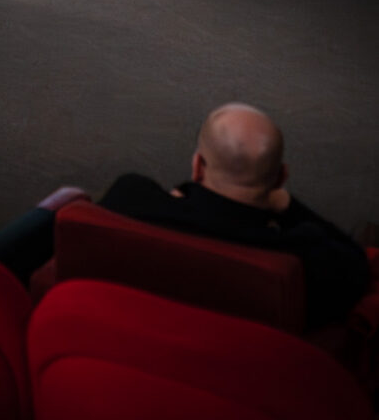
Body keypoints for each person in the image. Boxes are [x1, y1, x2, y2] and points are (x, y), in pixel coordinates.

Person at [99, 103, 371, 330]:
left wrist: (184, 194)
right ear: (281, 177)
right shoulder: (304, 254)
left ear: (197, 166)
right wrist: (287, 205)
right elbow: (359, 268)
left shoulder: (130, 197)